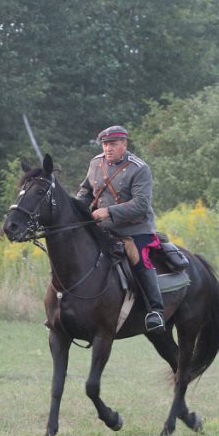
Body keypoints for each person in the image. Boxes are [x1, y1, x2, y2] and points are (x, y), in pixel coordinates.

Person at [74, 125, 165, 333]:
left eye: (113, 144)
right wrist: (77, 209)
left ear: (124, 144)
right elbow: (86, 192)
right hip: (102, 228)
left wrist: (108, 211)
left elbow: (141, 204)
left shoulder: (139, 168)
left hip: (135, 229)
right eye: (105, 144)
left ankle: (155, 311)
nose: (108, 148)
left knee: (139, 257)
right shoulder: (96, 163)